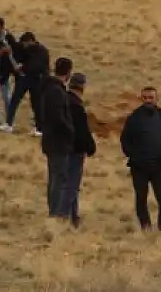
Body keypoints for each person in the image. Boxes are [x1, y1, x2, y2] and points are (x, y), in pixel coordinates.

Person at [119, 86, 161, 233]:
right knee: (141, 199)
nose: (148, 100)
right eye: (145, 98)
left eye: (151, 98)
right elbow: (125, 140)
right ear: (141, 99)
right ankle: (146, 227)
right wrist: (133, 156)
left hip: (160, 166)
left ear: (157, 98)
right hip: (139, 168)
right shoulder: (134, 117)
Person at [39, 57, 75, 219]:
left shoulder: (49, 89)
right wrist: (70, 131)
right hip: (58, 141)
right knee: (59, 178)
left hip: (51, 139)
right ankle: (55, 212)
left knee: (55, 177)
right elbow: (58, 118)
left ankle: (55, 211)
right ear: (68, 73)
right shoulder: (56, 91)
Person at [62, 72, 96, 227]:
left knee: (67, 182)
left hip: (62, 147)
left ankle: (73, 216)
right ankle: (64, 215)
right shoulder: (77, 105)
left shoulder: (62, 100)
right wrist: (91, 147)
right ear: (82, 86)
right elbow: (82, 131)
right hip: (75, 149)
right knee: (72, 184)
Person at [0, 32, 50, 135]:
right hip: (24, 78)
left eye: (25, 44)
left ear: (31, 41)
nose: (24, 46)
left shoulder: (42, 51)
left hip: (37, 80)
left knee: (36, 104)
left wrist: (21, 67)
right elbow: (15, 48)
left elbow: (36, 66)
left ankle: (39, 129)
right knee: (14, 100)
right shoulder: (25, 48)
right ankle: (8, 124)